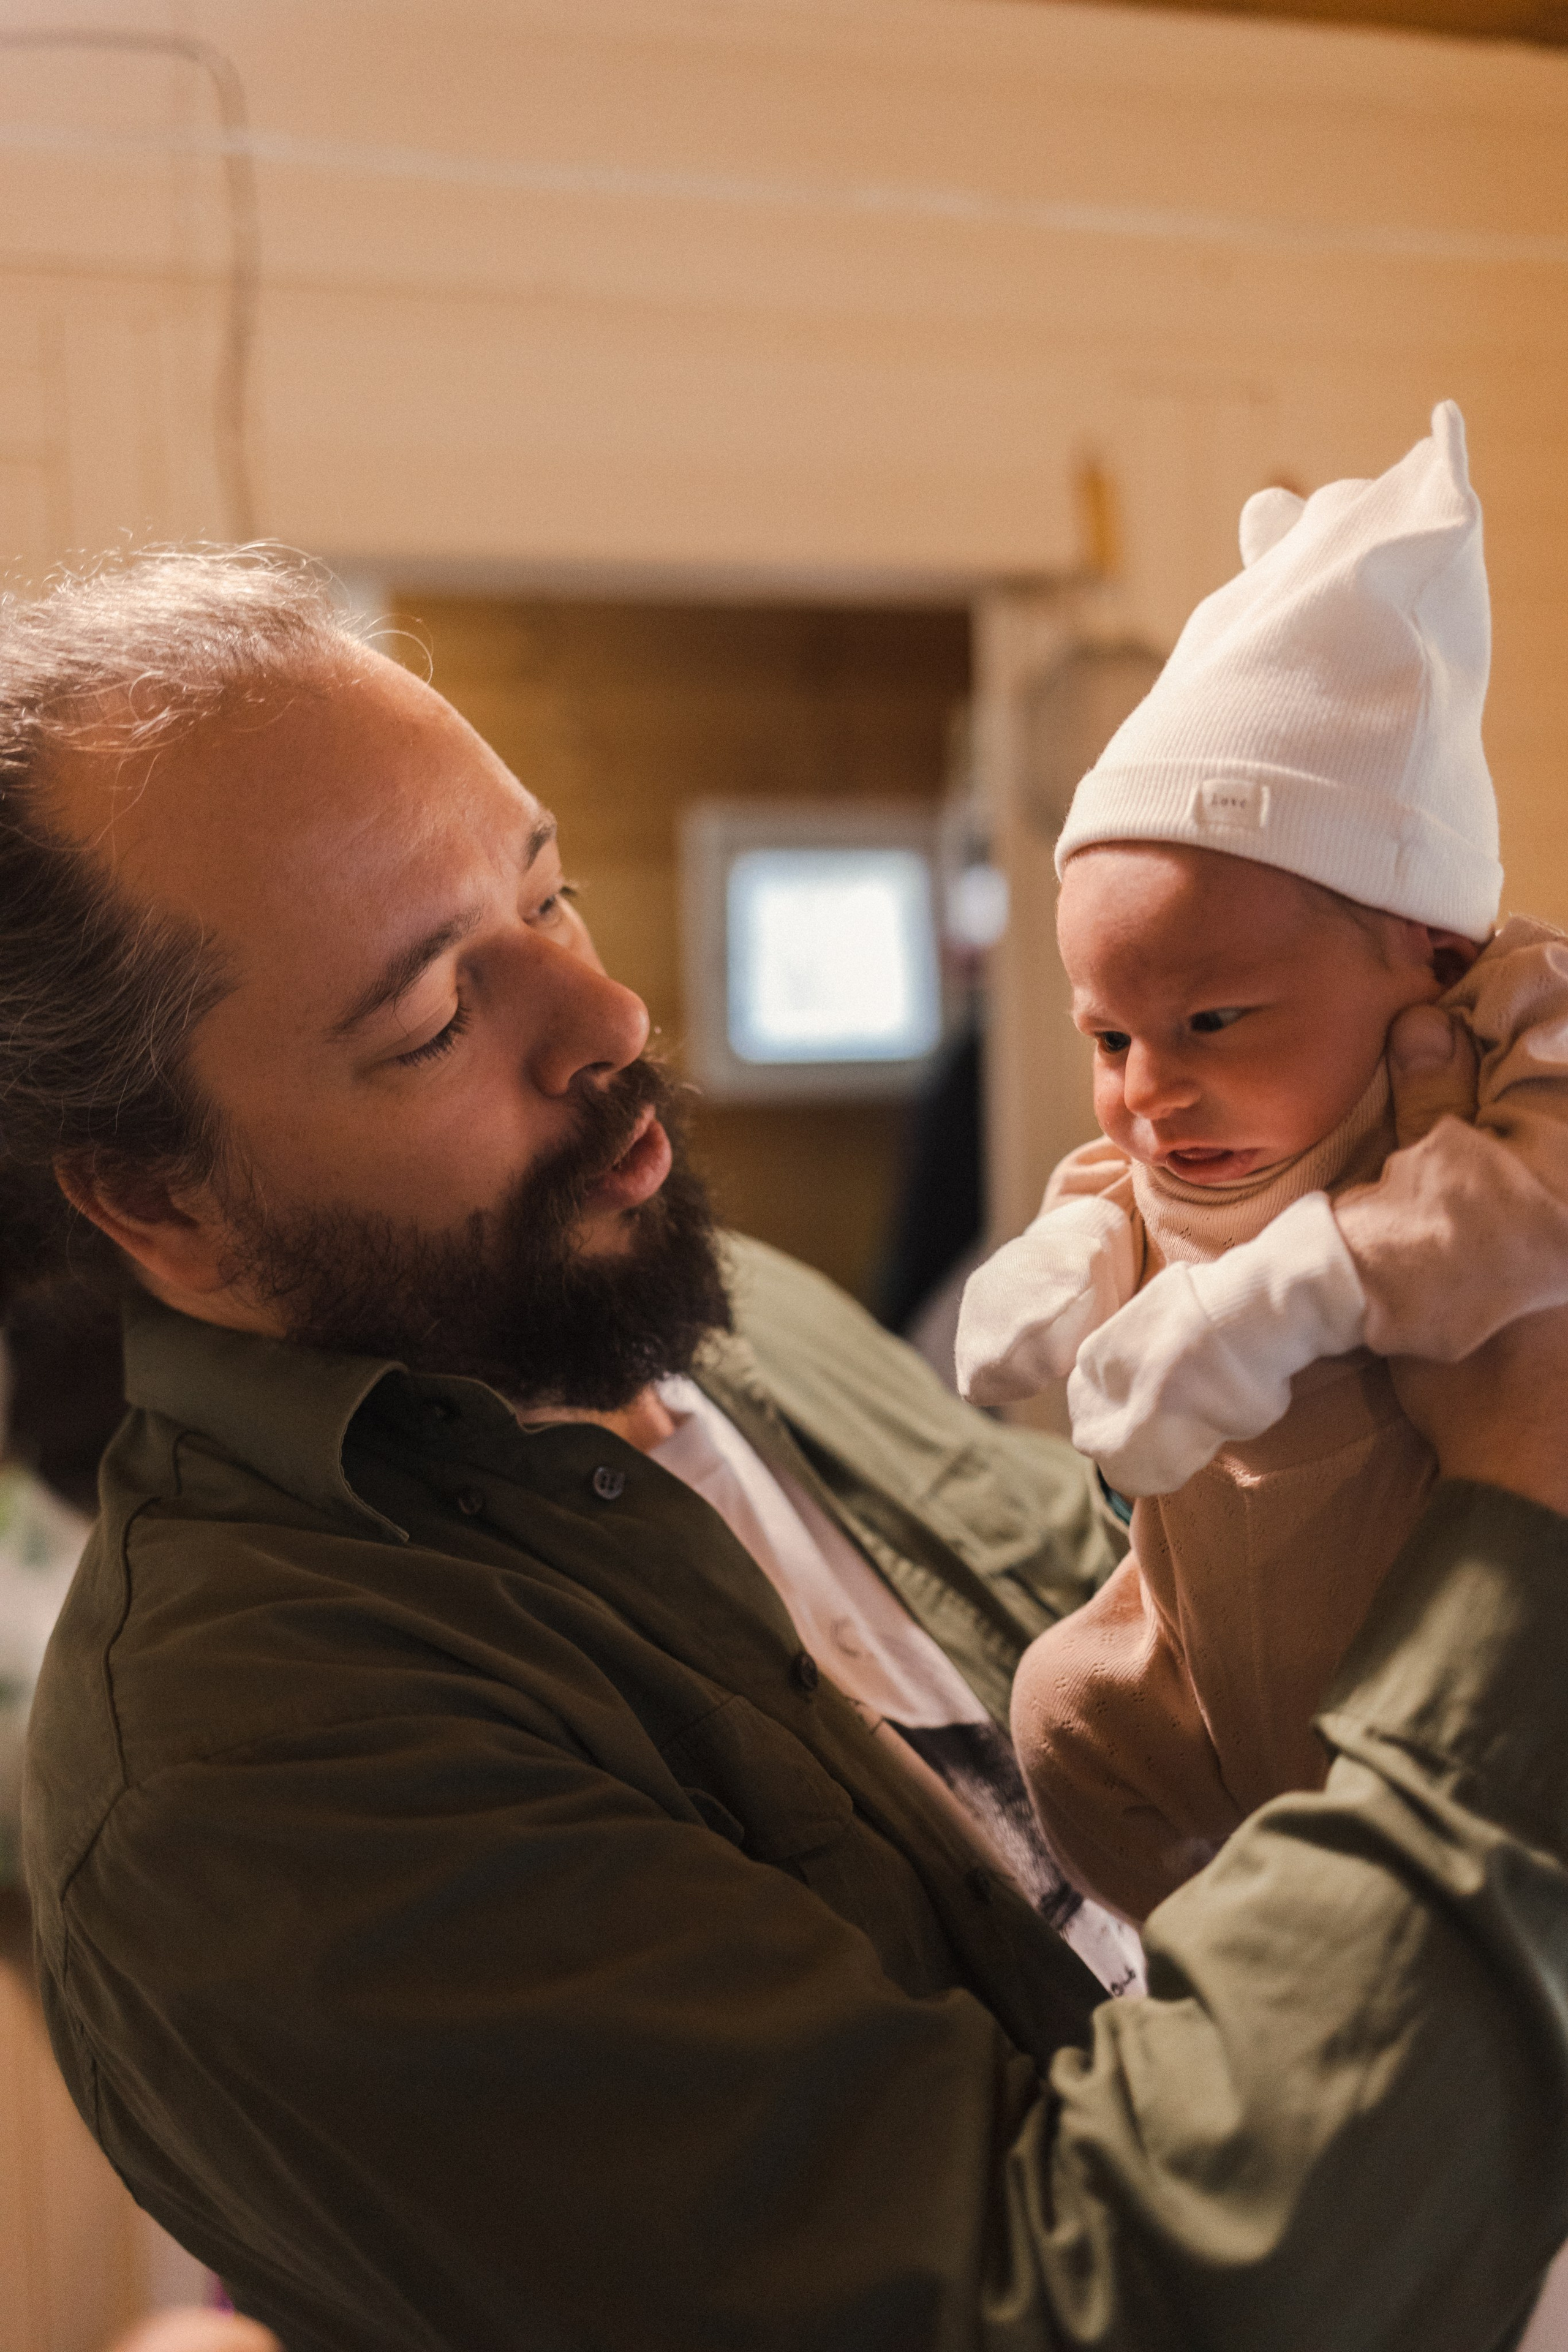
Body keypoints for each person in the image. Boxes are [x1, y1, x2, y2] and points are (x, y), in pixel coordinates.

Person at [15, 548, 1568, 2352]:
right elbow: (1082, 2310)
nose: (610, 1024)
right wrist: (1522, 1518)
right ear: (161, 1200)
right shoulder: (247, 1787)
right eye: (437, 1018)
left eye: (553, 894)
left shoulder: (727, 1310)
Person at [956, 401, 1568, 1923]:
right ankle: (1210, 1949)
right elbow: (1120, 1193)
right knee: (1060, 1711)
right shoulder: (1186, 1125)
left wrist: (1289, 1293)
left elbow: (1538, 1207)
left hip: (1434, 1634)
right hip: (1193, 1642)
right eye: (1106, 1039)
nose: (1147, 1093)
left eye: (1210, 1018)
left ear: (1424, 952)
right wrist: (1064, 1258)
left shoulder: (1504, 1035)